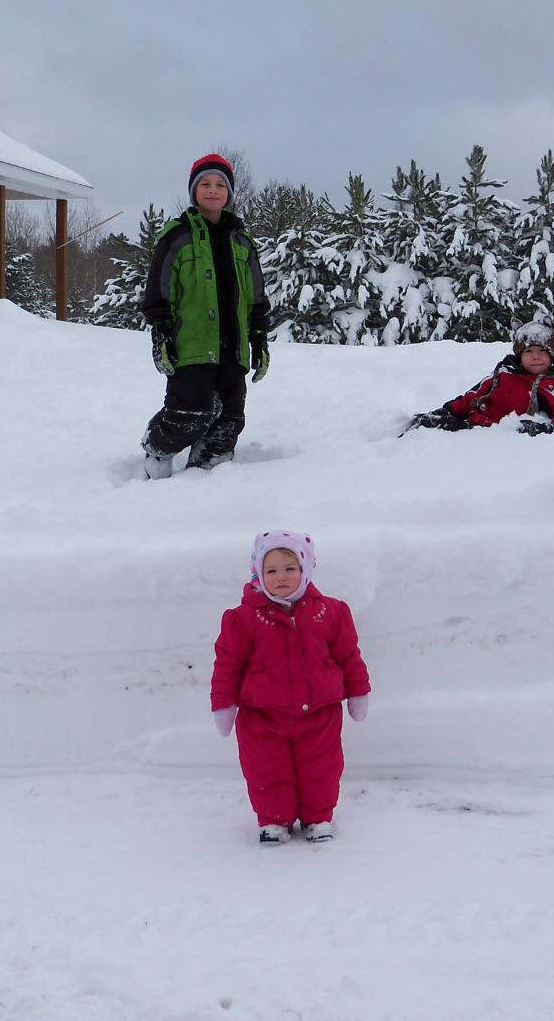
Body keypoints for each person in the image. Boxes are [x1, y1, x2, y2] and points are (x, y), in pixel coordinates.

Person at [211, 530, 372, 845]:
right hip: (262, 718)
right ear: (258, 573)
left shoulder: (330, 613)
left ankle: (318, 817)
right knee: (266, 769)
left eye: (290, 568)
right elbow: (228, 665)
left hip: (320, 714)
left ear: (306, 569)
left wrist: (358, 690)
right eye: (270, 571)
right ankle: (274, 820)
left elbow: (348, 655)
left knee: (322, 768)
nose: (280, 577)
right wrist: (224, 704)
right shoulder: (242, 620)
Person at [139, 153, 272, 479]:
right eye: (205, 184)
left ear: (229, 193)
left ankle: (208, 469)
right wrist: (162, 333)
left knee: (230, 416)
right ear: (194, 190)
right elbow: (158, 291)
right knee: (191, 411)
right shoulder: (177, 236)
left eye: (219, 185)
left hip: (233, 347)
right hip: (192, 345)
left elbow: (256, 295)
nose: (213, 190)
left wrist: (259, 336)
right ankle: (158, 446)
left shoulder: (242, 241)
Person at [406, 317, 554, 435]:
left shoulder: (553, 385)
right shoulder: (505, 372)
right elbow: (474, 395)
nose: (535, 357)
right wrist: (449, 411)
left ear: (552, 355)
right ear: (520, 356)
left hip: (496, 434)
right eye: (529, 351)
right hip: (473, 422)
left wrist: (542, 429)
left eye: (542, 351)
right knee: (423, 425)